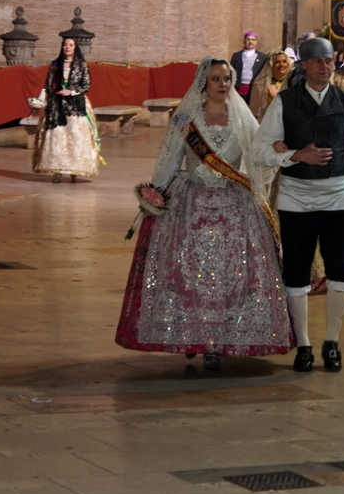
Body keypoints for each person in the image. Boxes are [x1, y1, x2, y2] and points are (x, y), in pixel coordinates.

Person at [115, 57, 293, 370]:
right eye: (216, 79)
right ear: (204, 83)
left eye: (227, 78)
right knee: (186, 272)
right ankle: (191, 334)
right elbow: (169, 162)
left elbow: (259, 159)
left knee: (230, 274)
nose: (223, 84)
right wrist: (155, 195)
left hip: (234, 205)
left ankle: (216, 339)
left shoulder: (243, 118)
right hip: (190, 203)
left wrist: (280, 152)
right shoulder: (185, 119)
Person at [254, 37, 344, 373]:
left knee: (340, 273)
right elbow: (260, 151)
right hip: (295, 199)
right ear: (302, 65)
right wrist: (295, 155)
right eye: (317, 61)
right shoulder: (285, 103)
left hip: (339, 198)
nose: (325, 66)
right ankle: (303, 344)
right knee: (296, 274)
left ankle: (332, 340)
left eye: (329, 61)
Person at [30, 37, 104, 183]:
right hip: (56, 106)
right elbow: (47, 85)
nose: (67, 47)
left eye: (70, 45)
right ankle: (57, 171)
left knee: (75, 136)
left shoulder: (81, 65)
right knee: (56, 137)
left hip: (76, 105)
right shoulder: (55, 64)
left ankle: (74, 170)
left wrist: (71, 92)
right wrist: (39, 100)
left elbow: (86, 86)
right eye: (65, 45)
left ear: (75, 48)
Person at [249, 49, 292, 121]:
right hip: (267, 121)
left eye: (284, 61)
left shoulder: (293, 83)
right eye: (277, 62)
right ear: (271, 65)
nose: (281, 65)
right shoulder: (260, 85)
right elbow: (254, 109)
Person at [230, 32, 267, 103]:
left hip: (255, 88)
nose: (250, 42)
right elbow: (231, 71)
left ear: (256, 42)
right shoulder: (236, 56)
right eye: (248, 39)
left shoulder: (263, 57)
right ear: (244, 41)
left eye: (253, 40)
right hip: (239, 87)